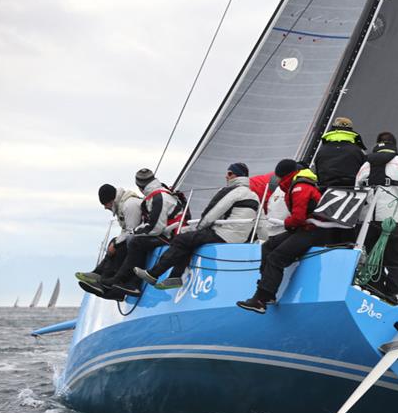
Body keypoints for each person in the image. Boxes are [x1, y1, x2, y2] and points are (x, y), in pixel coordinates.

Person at [134, 163, 260, 290]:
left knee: (181, 239)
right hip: (240, 238)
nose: (226, 176)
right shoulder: (254, 195)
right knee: (190, 240)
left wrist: (199, 228)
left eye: (229, 173)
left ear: (236, 175)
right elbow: (260, 221)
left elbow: (212, 213)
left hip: (224, 234)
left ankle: (153, 274)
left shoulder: (231, 191)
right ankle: (174, 277)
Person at [236, 159, 334, 313]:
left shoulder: (299, 188)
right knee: (268, 246)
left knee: (276, 257)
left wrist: (286, 224)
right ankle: (267, 290)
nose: (278, 180)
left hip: (314, 231)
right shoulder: (296, 185)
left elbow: (298, 218)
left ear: (284, 175)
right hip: (305, 229)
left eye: (279, 177)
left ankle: (261, 299)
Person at [90, 168, 185, 297]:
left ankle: (125, 281)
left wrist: (134, 232)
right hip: (168, 233)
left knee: (134, 241)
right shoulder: (156, 195)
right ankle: (111, 279)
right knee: (130, 240)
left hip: (172, 236)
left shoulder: (159, 197)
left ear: (140, 186)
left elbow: (155, 228)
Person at [355, 132, 398, 302]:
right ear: (394, 145)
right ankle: (394, 296)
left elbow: (357, 189)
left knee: (371, 262)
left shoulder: (364, 166)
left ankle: (374, 295)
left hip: (367, 223)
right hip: (393, 221)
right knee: (396, 261)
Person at [75, 184, 142, 284]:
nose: (105, 208)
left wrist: (115, 244)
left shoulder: (129, 205)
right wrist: (115, 243)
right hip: (136, 236)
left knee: (119, 247)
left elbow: (132, 231)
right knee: (114, 242)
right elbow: (126, 230)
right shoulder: (122, 205)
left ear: (111, 201)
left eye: (105, 204)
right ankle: (99, 273)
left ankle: (107, 279)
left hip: (140, 238)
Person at [312, 117, 366, 188]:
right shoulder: (358, 150)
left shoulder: (322, 150)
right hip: (352, 189)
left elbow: (315, 172)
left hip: (326, 189)